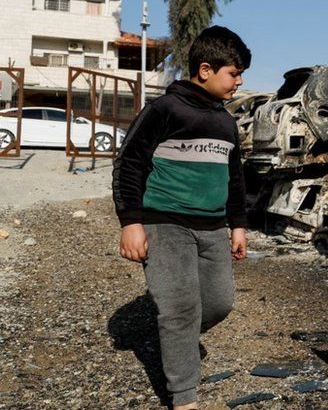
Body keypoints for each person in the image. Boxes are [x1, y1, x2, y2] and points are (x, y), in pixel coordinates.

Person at [113, 26, 252, 410]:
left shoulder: (226, 122)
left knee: (220, 302)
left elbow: (235, 178)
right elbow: (129, 165)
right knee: (179, 308)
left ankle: (175, 335)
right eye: (234, 73)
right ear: (205, 69)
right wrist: (131, 222)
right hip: (164, 223)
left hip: (212, 228)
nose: (239, 82)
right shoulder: (164, 110)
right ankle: (184, 397)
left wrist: (238, 225)